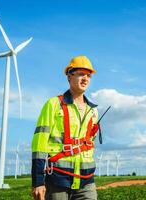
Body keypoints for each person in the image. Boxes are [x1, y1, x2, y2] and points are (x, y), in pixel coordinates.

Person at [32, 55, 99, 200]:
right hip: (58, 180)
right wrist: (38, 181)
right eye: (81, 74)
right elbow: (39, 145)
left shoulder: (93, 111)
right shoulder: (53, 104)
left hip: (87, 181)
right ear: (69, 76)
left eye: (88, 75)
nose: (85, 78)